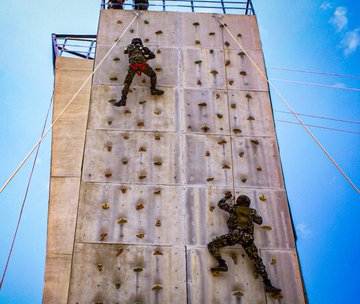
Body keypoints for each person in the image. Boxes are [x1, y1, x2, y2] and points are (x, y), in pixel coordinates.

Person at [207, 191, 281, 294]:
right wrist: (252, 214)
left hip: (235, 235)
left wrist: (227, 197)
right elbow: (259, 221)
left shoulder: (234, 208)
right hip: (247, 239)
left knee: (212, 245)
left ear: (239, 202)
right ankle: (267, 284)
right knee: (257, 260)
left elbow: (221, 204)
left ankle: (222, 263)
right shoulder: (251, 212)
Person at [111, 38, 164, 107]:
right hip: (142, 64)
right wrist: (145, 58)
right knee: (153, 75)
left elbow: (125, 51)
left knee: (127, 83)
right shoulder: (143, 47)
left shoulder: (130, 46)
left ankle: (123, 99)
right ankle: (153, 89)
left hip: (133, 66)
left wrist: (130, 48)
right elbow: (153, 55)